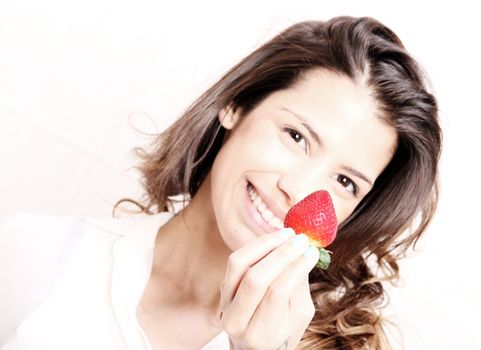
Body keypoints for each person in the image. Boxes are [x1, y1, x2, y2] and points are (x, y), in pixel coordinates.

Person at [0, 15, 441, 350]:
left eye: (345, 181)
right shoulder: (38, 251)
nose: (301, 191)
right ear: (237, 105)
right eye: (296, 136)